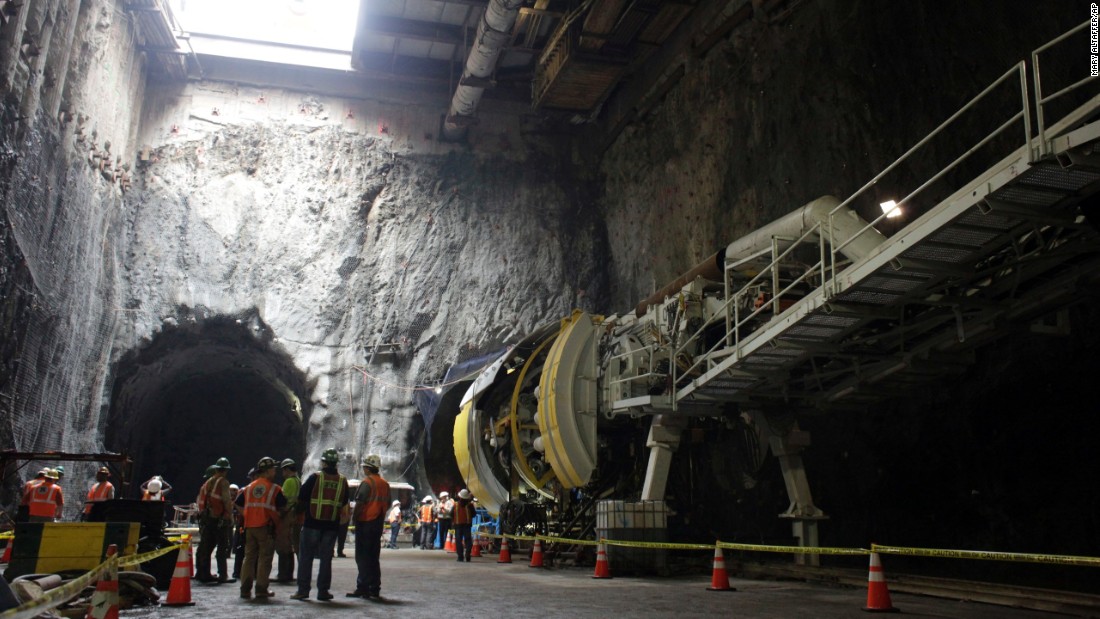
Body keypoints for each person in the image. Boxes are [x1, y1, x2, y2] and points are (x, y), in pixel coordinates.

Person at [290, 449, 348, 602]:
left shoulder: (315, 478)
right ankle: (323, 591)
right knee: (326, 559)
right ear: (336, 463)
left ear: (323, 462)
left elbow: (301, 498)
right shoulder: (342, 481)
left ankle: (303, 590)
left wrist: (297, 515)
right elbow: (344, 502)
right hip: (331, 525)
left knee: (306, 557)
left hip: (312, 523)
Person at [236, 457, 284, 600]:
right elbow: (282, 507)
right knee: (264, 558)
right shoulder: (274, 488)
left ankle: (245, 590)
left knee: (249, 558)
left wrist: (246, 514)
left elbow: (237, 503)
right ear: (268, 471)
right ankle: (261, 589)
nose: (275, 471)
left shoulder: (249, 488)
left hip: (249, 527)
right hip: (265, 527)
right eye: (273, 469)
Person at [346, 454, 389, 600]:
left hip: (365, 523)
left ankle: (362, 587)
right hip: (378, 523)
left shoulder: (367, 483)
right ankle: (374, 588)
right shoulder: (385, 484)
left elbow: (360, 504)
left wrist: (353, 518)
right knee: (373, 557)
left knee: (362, 556)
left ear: (368, 468)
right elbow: (387, 503)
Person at [195, 458, 235, 584]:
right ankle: (223, 575)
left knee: (206, 546)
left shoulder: (208, 482)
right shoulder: (223, 482)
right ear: (226, 470)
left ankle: (203, 573)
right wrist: (230, 517)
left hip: (207, 519)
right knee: (222, 547)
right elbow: (226, 501)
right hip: (219, 519)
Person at [276, 458, 301, 583]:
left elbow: (283, 500)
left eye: (283, 470)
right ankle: (289, 573)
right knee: (291, 546)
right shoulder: (298, 481)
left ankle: (283, 574)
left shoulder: (289, 481)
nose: (282, 473)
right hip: (295, 515)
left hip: (287, 515)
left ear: (287, 469)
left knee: (283, 545)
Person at [452, 489, 476, 562]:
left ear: (460, 497)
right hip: (467, 526)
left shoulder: (455, 505)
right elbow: (474, 514)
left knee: (458, 541)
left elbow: (450, 514)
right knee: (468, 541)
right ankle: (468, 555)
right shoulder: (470, 505)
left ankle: (460, 557)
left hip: (458, 526)